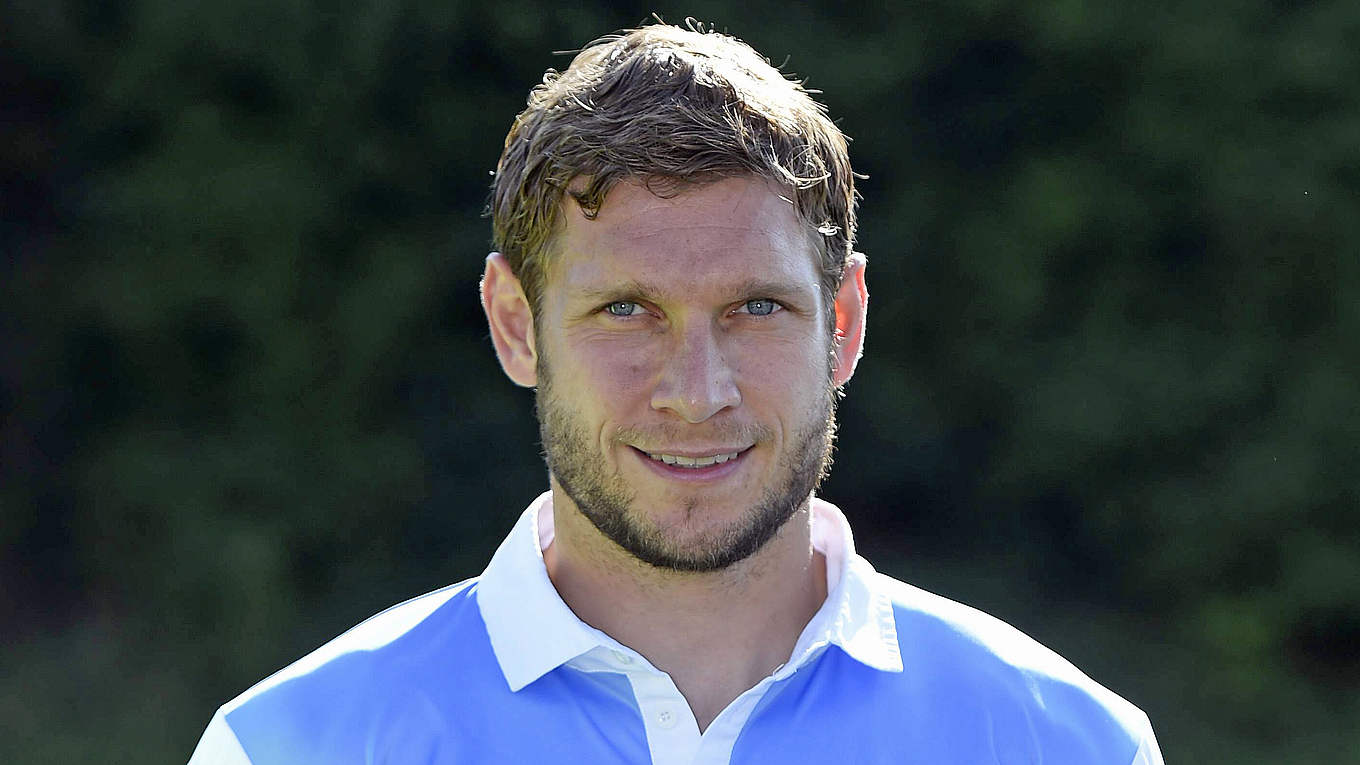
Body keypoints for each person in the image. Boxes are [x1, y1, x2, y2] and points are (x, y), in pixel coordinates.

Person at [187, 21, 1163, 764]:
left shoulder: (1070, 746)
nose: (697, 393)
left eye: (755, 308)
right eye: (626, 310)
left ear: (843, 322)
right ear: (515, 323)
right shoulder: (289, 748)